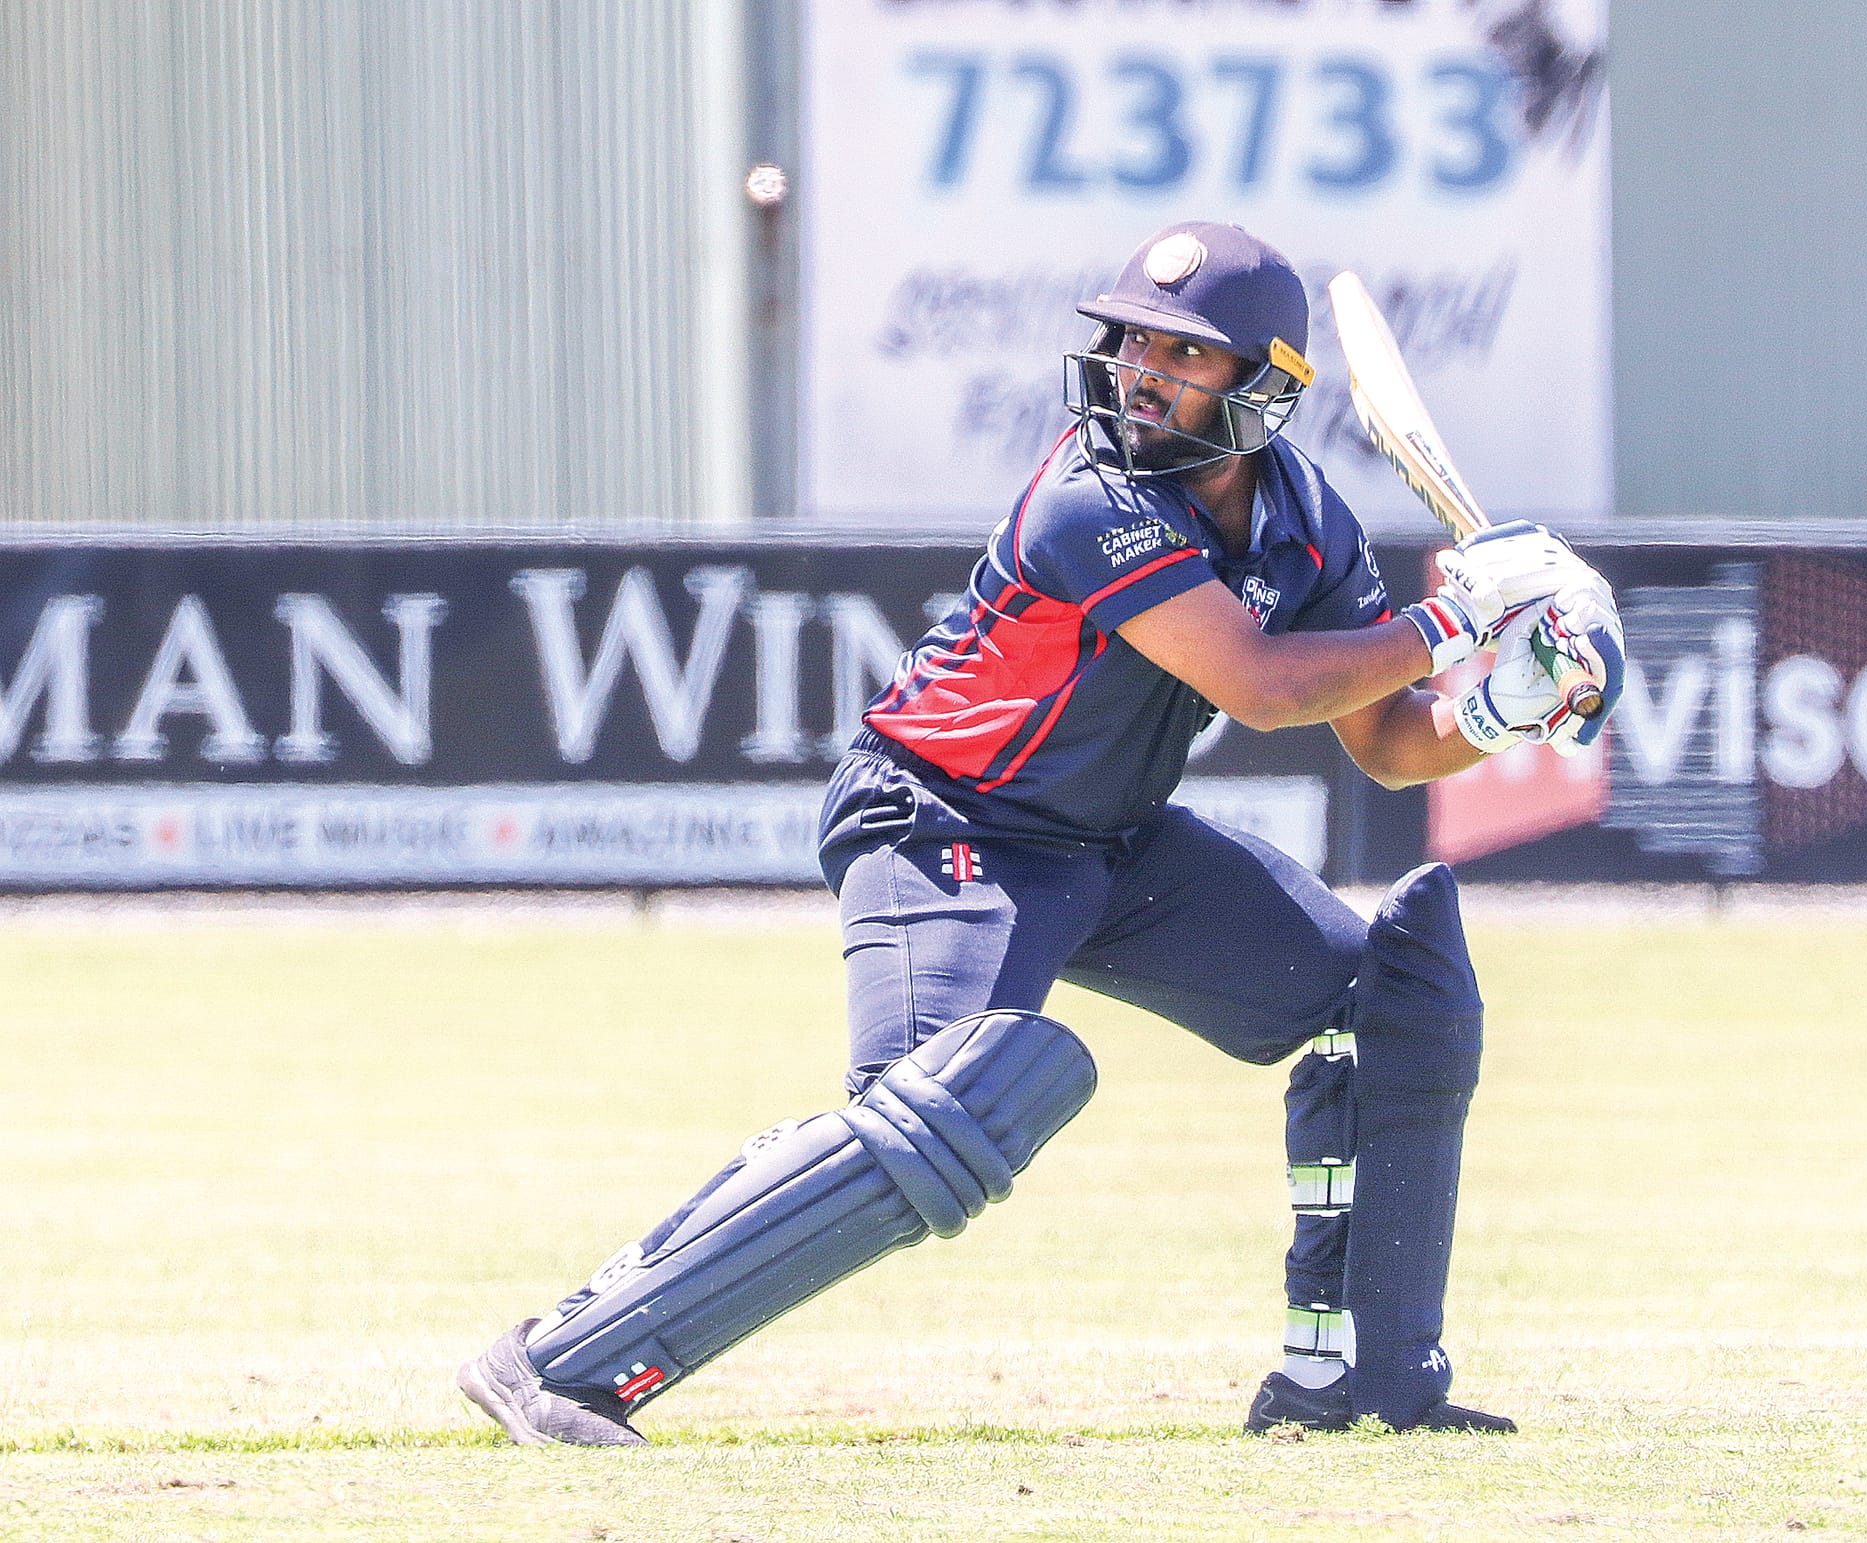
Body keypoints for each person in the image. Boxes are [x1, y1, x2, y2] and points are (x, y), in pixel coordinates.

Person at [456, 220, 1626, 1445]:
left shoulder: (1303, 519)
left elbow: (1387, 739)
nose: (1136, 368)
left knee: (1387, 996)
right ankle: (563, 1362)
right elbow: (1264, 686)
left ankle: (1355, 1384)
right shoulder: (1090, 496)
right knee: (951, 1102)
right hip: (940, 825)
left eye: (1180, 353)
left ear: (1266, 387)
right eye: (1128, 340)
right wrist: (1457, 621)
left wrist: (1499, 706)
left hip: (1111, 844)